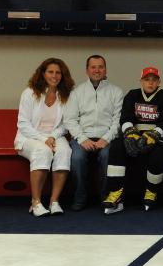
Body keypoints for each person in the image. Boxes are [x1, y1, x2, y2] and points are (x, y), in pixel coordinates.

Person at [102, 66, 163, 214]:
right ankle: (116, 193)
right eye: (147, 80)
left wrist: (154, 134)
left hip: (157, 136)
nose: (150, 83)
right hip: (135, 134)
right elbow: (125, 117)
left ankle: (151, 191)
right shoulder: (132, 95)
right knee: (117, 146)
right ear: (141, 81)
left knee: (158, 154)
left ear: (159, 82)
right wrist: (130, 132)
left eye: (154, 80)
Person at [15, 58, 75, 217]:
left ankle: (54, 202)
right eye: (50, 72)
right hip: (30, 137)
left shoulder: (66, 95)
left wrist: (53, 137)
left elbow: (65, 124)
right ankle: (35, 202)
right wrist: (44, 139)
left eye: (58, 73)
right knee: (43, 151)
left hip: (55, 136)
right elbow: (23, 124)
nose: (54, 76)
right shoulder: (29, 93)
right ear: (42, 73)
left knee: (65, 152)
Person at [63, 54, 123, 211]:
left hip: (107, 138)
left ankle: (105, 196)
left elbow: (118, 120)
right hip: (83, 138)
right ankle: (80, 196)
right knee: (77, 157)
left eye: (100, 67)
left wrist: (106, 138)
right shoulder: (77, 92)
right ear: (87, 70)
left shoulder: (116, 92)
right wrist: (82, 139)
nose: (97, 70)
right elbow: (70, 119)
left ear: (105, 69)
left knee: (107, 156)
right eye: (93, 67)